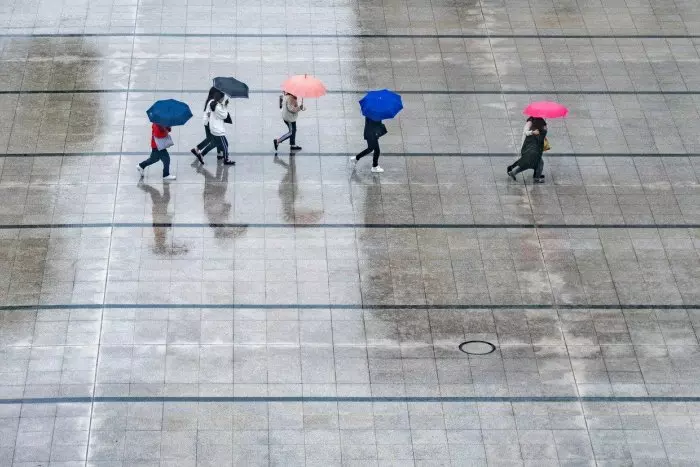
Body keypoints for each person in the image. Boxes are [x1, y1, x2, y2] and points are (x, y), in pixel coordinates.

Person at [507, 117, 547, 183]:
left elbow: (541, 136)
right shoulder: (530, 123)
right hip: (529, 148)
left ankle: (514, 172)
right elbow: (525, 132)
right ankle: (536, 178)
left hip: (532, 148)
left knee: (527, 163)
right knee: (539, 162)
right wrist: (533, 132)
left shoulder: (538, 124)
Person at [191, 87, 225, 163]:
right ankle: (203, 153)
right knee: (216, 140)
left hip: (207, 123)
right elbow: (211, 113)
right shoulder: (212, 102)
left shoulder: (211, 100)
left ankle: (198, 149)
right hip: (210, 124)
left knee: (211, 139)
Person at [207, 94, 235, 165]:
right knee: (225, 145)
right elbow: (224, 116)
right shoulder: (217, 107)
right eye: (222, 98)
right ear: (219, 98)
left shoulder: (213, 103)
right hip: (218, 130)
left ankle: (220, 155)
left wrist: (224, 104)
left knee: (221, 143)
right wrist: (225, 106)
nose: (223, 99)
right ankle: (226, 159)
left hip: (214, 128)